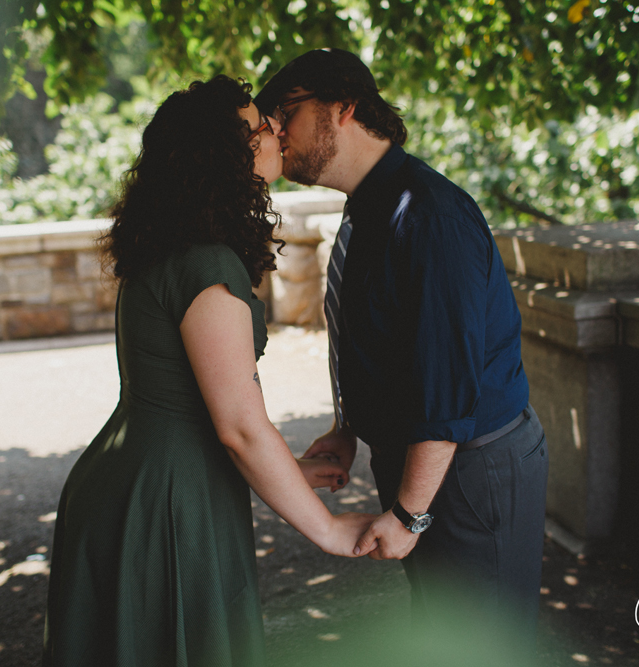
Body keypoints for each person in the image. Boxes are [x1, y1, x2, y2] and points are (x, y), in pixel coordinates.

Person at [42, 75, 376, 667]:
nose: (275, 128)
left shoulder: (171, 244)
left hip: (138, 483)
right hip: (165, 505)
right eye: (258, 125)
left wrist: (291, 472)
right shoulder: (206, 263)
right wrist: (328, 531)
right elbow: (240, 428)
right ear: (225, 155)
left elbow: (193, 406)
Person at [255, 49, 549, 638]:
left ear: (343, 108)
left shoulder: (427, 215)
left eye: (285, 111)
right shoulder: (372, 208)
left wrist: (412, 514)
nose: (275, 131)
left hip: (472, 470)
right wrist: (347, 425)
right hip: (433, 463)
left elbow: (447, 383)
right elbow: (381, 342)